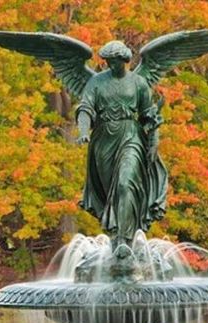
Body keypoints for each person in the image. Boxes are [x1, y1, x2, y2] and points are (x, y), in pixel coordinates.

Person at [76, 41, 168, 251]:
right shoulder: (96, 82)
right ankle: (117, 235)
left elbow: (149, 115)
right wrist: (83, 131)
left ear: (124, 60)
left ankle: (124, 241)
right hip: (103, 140)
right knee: (111, 193)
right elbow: (85, 108)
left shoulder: (138, 82)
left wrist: (154, 140)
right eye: (108, 61)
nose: (110, 65)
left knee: (125, 184)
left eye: (115, 61)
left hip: (131, 137)